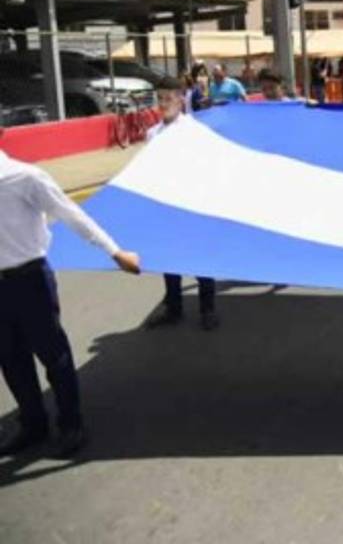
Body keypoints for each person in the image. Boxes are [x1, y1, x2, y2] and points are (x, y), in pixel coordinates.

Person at [0, 130, 142, 457]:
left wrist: (114, 251)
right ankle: (33, 425)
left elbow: (71, 214)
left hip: (30, 279)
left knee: (53, 355)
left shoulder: (25, 177)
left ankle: (70, 425)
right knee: (10, 358)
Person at [142, 80, 220, 331]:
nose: (163, 104)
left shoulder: (193, 130)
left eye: (168, 98)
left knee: (200, 258)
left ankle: (207, 308)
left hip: (191, 204)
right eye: (160, 99)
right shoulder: (153, 133)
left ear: (180, 99)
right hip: (164, 205)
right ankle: (173, 306)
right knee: (169, 258)